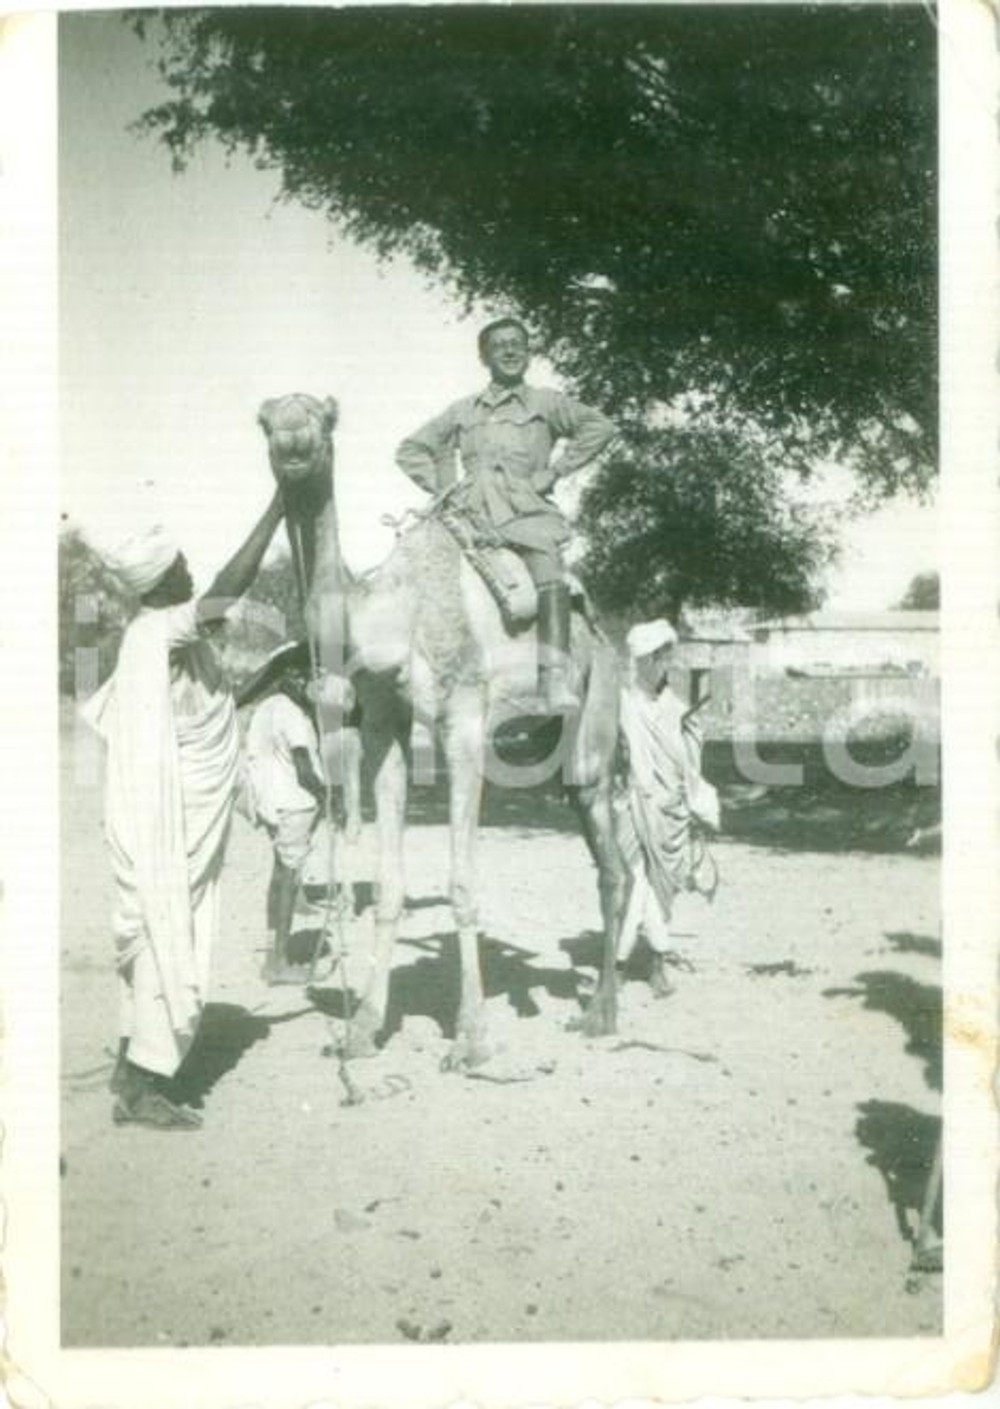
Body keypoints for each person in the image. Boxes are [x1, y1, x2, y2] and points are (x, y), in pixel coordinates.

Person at [82, 492, 286, 1129]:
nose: (192, 572)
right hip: (165, 821)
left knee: (158, 930)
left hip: (184, 817)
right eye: (182, 568)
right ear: (162, 581)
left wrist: (279, 668)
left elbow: (215, 702)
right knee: (167, 930)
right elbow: (228, 590)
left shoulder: (177, 642)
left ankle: (130, 1067)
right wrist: (279, 502)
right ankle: (143, 1089)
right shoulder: (156, 632)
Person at [395, 316, 617, 710]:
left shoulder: (546, 403)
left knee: (548, 567)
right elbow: (411, 449)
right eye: (500, 346)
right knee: (417, 566)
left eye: (518, 344)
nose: (511, 351)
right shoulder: (463, 410)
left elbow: (599, 427)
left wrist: (556, 471)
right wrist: (444, 486)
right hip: (468, 516)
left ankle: (553, 679)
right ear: (484, 356)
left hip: (526, 514)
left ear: (529, 353)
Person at [615, 618, 720, 997]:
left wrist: (696, 805)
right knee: (634, 885)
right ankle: (628, 963)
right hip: (631, 808)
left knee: (661, 890)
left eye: (664, 658)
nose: (661, 665)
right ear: (640, 661)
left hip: (671, 814)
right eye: (653, 658)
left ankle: (644, 963)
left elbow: (691, 766)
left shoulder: (679, 710)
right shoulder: (621, 706)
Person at [241, 657, 330, 985]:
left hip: (271, 804)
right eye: (311, 678)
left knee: (279, 878)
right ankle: (278, 962)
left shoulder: (267, 707)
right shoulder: (292, 714)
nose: (315, 686)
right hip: (294, 804)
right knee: (289, 883)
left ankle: (272, 955)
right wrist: (327, 797)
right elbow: (304, 768)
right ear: (293, 676)